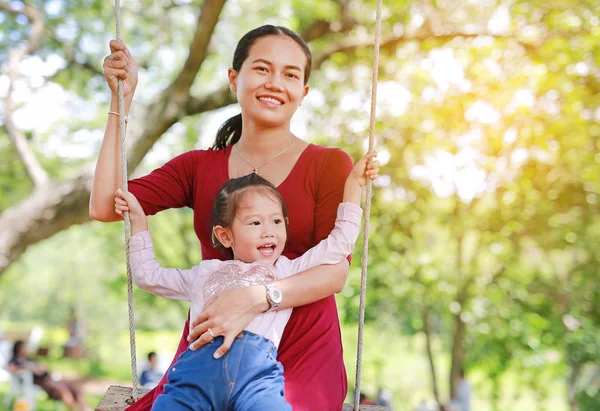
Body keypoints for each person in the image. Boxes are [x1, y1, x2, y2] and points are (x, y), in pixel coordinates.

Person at [91, 24, 380, 410]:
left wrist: (258, 297)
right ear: (234, 79)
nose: (275, 83)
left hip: (301, 343)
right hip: (212, 345)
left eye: (291, 74)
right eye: (262, 69)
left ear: (303, 93)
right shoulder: (197, 166)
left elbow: (335, 271)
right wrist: (121, 104)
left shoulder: (329, 164)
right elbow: (106, 205)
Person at [115, 154, 374, 409]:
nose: (268, 230)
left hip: (257, 376)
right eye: (255, 222)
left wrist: (352, 186)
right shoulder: (204, 273)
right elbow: (148, 276)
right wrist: (139, 223)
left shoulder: (286, 270)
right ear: (224, 236)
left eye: (276, 221)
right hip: (196, 374)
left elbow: (338, 244)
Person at [8, 340, 89, 411]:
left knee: (73, 388)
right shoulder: (15, 359)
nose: (25, 349)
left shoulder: (29, 358)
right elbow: (12, 369)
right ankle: (73, 408)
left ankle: (85, 408)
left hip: (49, 378)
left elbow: (39, 366)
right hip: (40, 382)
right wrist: (29, 368)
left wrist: (40, 367)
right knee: (63, 390)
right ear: (18, 348)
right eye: (23, 347)